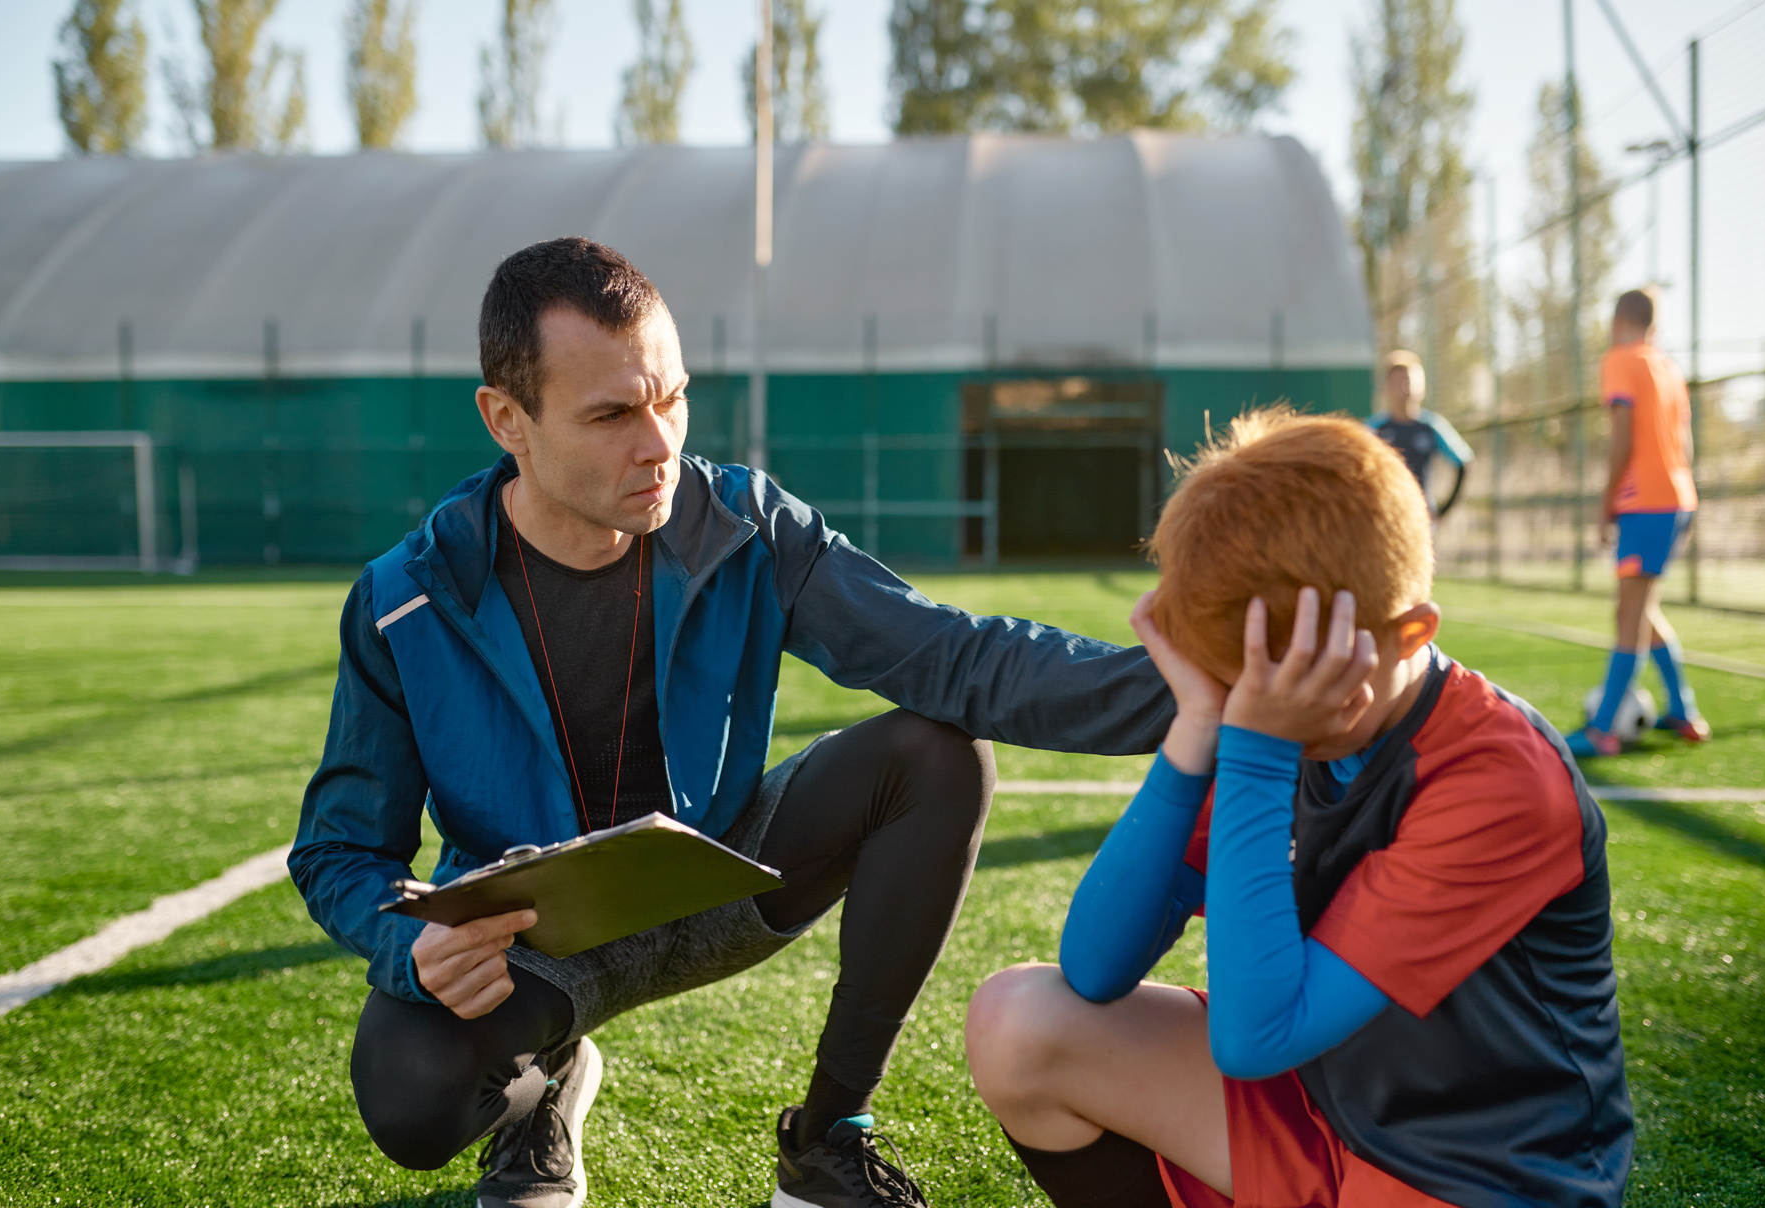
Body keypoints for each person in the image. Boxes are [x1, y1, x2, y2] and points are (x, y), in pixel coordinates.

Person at [289, 237, 1173, 1208]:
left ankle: (828, 1141)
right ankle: (543, 1096)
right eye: (614, 412)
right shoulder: (403, 600)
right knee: (406, 1098)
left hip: (723, 868)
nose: (660, 442)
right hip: (536, 932)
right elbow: (339, 849)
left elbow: (955, 656)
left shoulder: (746, 527)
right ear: (509, 419)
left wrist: (1195, 692)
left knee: (935, 752)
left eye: (671, 396)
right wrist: (405, 946)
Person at [965, 409, 1632, 1208]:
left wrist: (1255, 749)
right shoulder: (1270, 710)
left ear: (1410, 632)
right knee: (1021, 1022)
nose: (1277, 704)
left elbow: (1255, 1037)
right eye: (1245, 684)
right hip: (1320, 1110)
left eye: (1306, 679)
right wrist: (1194, 739)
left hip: (1474, 1173)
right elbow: (1095, 966)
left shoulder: (1498, 778)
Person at [1566, 289, 1709, 758]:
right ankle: (1684, 711)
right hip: (1677, 498)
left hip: (1645, 503)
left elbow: (1623, 439)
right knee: (1644, 610)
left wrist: (1607, 502)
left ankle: (1603, 728)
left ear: (1617, 320)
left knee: (1628, 614)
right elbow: (1684, 444)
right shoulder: (1668, 368)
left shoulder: (1621, 359)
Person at [1368, 349, 1474, 518]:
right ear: (1387, 386)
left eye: (1409, 380)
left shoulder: (1431, 425)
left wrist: (1443, 510)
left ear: (1421, 384)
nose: (1405, 386)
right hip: (1384, 516)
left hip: (1421, 517)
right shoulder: (1374, 428)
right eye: (1398, 381)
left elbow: (1463, 462)